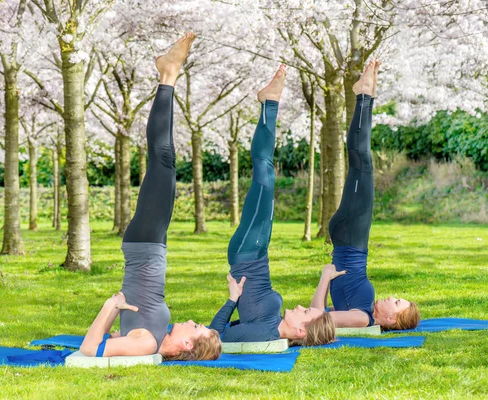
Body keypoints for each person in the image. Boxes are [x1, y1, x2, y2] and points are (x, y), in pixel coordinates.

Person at [80, 32, 221, 360]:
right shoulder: (153, 339)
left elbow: (90, 349)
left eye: (196, 327)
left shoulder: (146, 344)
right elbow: (117, 335)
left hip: (144, 245)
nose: (191, 321)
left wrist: (110, 307)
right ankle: (167, 74)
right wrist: (116, 322)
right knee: (165, 159)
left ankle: (168, 74)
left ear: (188, 345)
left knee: (163, 157)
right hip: (151, 244)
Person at [209, 64, 337, 346]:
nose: (302, 306)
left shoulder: (265, 333)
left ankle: (271, 103)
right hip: (257, 252)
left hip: (246, 253)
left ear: (300, 332)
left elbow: (215, 336)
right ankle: (270, 102)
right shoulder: (271, 324)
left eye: (305, 312)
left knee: (265, 177)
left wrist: (232, 299)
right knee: (266, 176)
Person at [309, 61, 420, 331]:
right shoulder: (364, 310)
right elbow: (325, 311)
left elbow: (315, 319)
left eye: (396, 302)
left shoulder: (361, 317)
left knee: (362, 163)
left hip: (350, 238)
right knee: (362, 163)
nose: (392, 296)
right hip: (352, 238)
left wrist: (325, 278)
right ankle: (366, 96)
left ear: (392, 319)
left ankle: (364, 96)